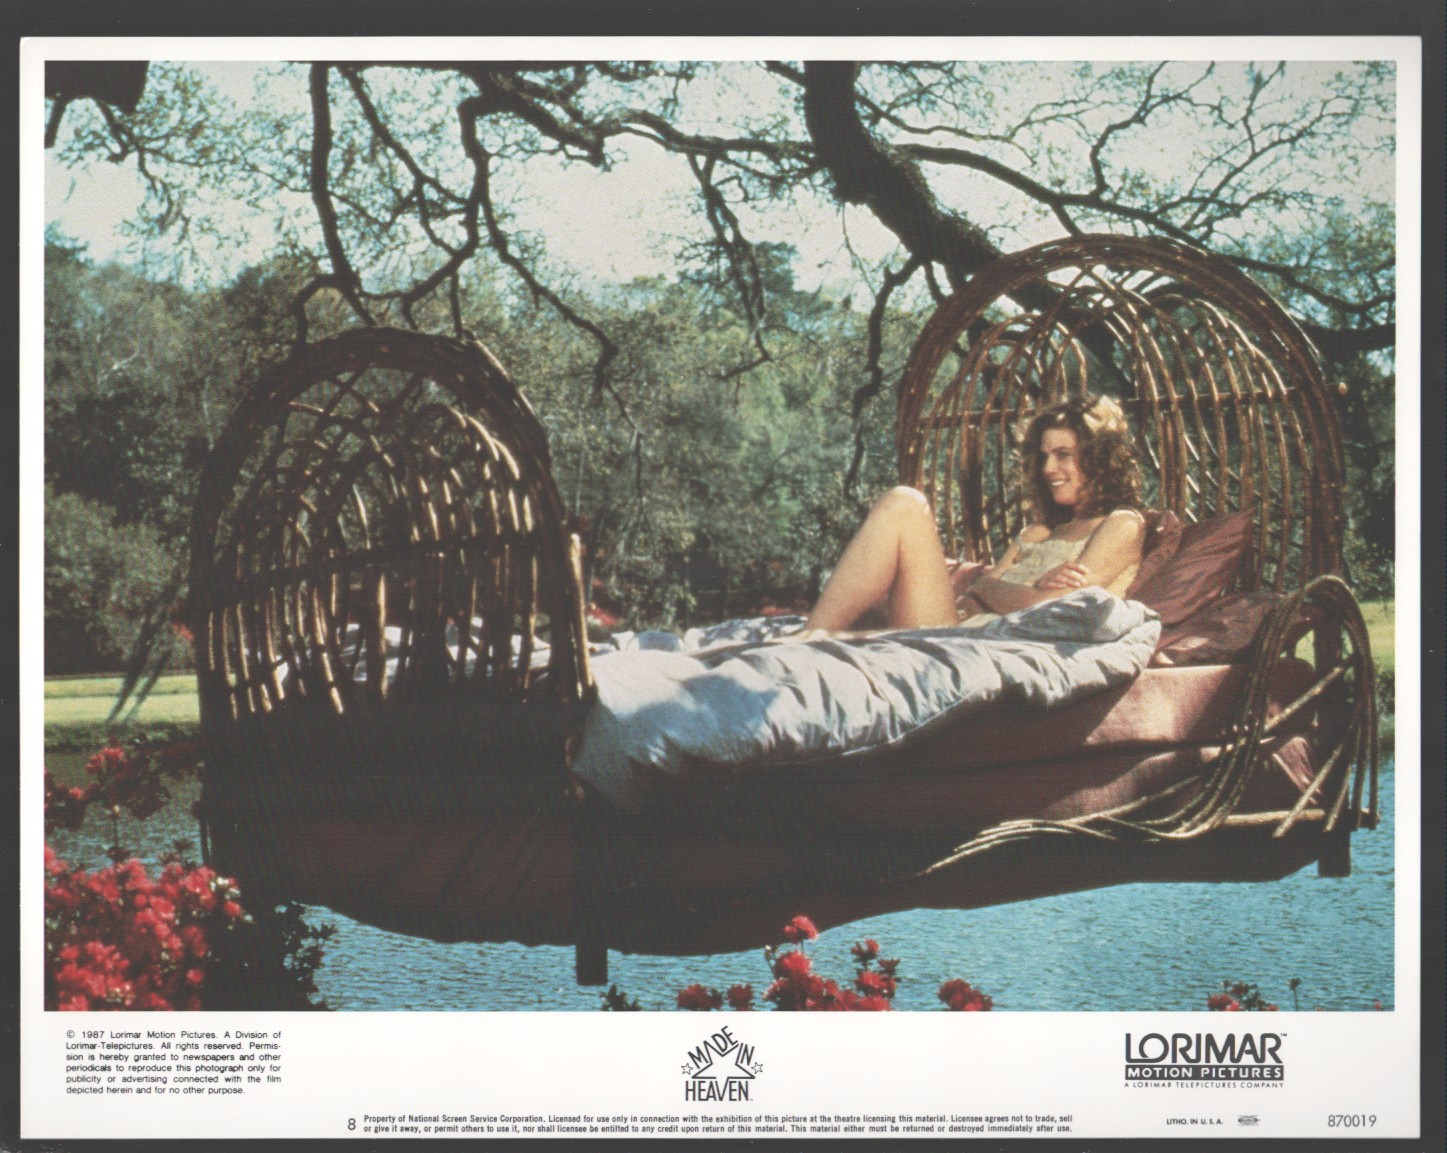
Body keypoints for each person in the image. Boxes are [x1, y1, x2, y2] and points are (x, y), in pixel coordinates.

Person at [802, 394, 1146, 634]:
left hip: (978, 641)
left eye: (1063, 455)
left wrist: (987, 586)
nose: (1047, 468)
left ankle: (811, 635)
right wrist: (991, 590)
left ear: (1100, 458)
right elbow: (972, 600)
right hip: (960, 626)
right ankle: (812, 635)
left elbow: (1050, 608)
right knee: (846, 640)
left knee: (904, 504)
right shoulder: (1038, 533)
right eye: (1044, 456)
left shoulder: (1122, 524)